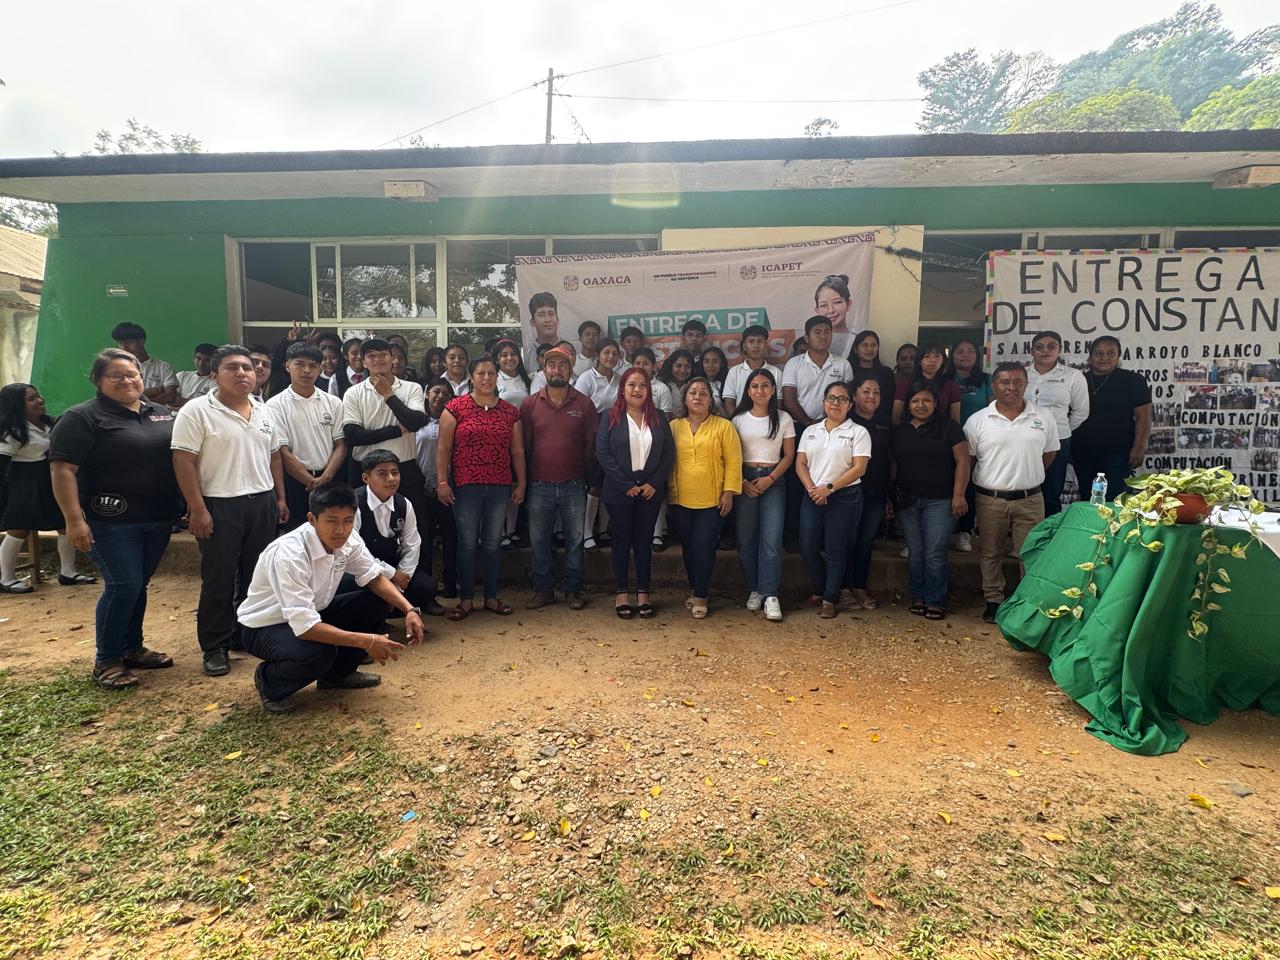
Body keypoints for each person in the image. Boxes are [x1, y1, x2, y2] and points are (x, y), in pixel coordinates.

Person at [49, 348, 179, 688]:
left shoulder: (161, 413)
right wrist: (74, 520)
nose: (127, 380)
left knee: (138, 584)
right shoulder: (82, 417)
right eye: (116, 376)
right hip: (109, 521)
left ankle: (131, 648)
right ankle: (106, 660)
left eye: (132, 374)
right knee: (123, 585)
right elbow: (62, 470)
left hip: (158, 516)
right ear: (98, 380)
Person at [237, 482, 425, 714]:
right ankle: (269, 682)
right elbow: (306, 628)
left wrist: (409, 610)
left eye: (348, 521)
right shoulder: (290, 554)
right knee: (319, 653)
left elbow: (374, 577)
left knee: (376, 601)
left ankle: (338, 676)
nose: (340, 530)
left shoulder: (349, 540)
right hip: (265, 627)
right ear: (312, 519)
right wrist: (368, 641)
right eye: (331, 521)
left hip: (313, 612)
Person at [171, 345, 288, 676]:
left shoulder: (264, 411)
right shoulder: (196, 411)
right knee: (219, 578)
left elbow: (275, 456)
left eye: (248, 368)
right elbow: (183, 461)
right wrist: (197, 508)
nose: (242, 374)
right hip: (219, 504)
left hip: (261, 501)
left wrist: (280, 498)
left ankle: (245, 634)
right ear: (213, 375)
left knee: (257, 576)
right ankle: (215, 646)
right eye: (232, 368)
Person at [965, 362, 1060, 623]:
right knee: (990, 552)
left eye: (1017, 382)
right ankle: (994, 600)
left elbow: (1050, 454)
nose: (1011, 387)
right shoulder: (978, 420)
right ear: (994, 386)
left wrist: (1026, 475)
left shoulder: (1043, 417)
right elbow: (970, 460)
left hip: (1030, 499)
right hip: (990, 499)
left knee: (1030, 553)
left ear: (1026, 385)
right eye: (1005, 382)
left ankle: (1027, 602)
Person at [436, 356, 525, 620]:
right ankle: (465, 600)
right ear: (472, 377)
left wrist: (521, 482)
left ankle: (491, 597)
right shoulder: (455, 407)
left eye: (491, 373)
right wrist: (442, 482)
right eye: (480, 373)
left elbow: (518, 450)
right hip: (466, 486)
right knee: (466, 544)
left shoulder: (510, 412)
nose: (486, 378)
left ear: (497, 377)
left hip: (499, 486)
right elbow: (443, 447)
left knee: (492, 544)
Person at [520, 345, 598, 610]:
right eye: (552, 365)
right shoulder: (530, 404)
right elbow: (526, 445)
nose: (557, 370)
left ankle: (573, 590)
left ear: (570, 369)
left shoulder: (584, 404)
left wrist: (580, 472)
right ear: (544, 369)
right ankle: (543, 590)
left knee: (575, 541)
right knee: (540, 541)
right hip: (539, 484)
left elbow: (590, 444)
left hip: (573, 484)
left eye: (562, 365)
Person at [0, 383, 94, 593]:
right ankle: (6, 578)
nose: (39, 401)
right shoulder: (12, 432)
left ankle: (68, 572)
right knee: (19, 528)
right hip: (25, 484)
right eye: (31, 399)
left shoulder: (49, 424)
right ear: (16, 405)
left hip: (51, 479)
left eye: (38, 396)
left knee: (63, 523)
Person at [597, 367, 673, 619]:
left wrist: (654, 481)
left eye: (642, 385)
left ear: (649, 390)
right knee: (621, 542)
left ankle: (643, 593)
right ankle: (621, 593)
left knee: (643, 543)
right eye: (631, 385)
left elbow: (668, 454)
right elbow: (603, 453)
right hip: (620, 491)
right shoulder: (610, 417)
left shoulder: (660, 417)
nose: (637, 390)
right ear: (623, 389)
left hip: (650, 491)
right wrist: (625, 483)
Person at [893, 382, 970, 620]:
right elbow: (894, 465)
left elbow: (964, 462)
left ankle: (935, 600)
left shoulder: (950, 428)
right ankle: (918, 596)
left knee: (934, 552)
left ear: (936, 404)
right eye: (915, 401)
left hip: (941, 501)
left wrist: (959, 494)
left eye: (926, 400)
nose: (920, 405)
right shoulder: (900, 431)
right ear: (908, 405)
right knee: (916, 551)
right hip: (908, 500)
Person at [668, 377, 742, 620]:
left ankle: (701, 595)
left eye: (703, 393)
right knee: (688, 548)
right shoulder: (674, 427)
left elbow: (733, 462)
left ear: (711, 400)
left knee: (702, 545)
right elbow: (666, 461)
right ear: (685, 399)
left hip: (713, 500)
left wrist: (729, 492)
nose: (697, 397)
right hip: (680, 499)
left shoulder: (724, 426)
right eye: (692, 393)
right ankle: (695, 587)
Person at [795, 382, 870, 618]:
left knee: (836, 549)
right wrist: (812, 490)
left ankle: (829, 598)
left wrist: (829, 488)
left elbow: (859, 468)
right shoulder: (811, 431)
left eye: (842, 399)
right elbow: (800, 464)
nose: (835, 403)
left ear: (850, 404)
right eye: (831, 398)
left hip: (844, 497)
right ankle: (819, 588)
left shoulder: (858, 432)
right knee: (807, 547)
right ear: (824, 402)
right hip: (812, 496)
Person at [782, 315, 853, 548]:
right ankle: (795, 536)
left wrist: (829, 422)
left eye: (827, 331)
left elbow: (847, 398)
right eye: (817, 332)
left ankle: (824, 538)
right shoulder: (794, 364)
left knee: (828, 479)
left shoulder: (842, 364)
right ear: (807, 337)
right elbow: (790, 400)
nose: (823, 336)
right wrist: (812, 423)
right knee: (798, 483)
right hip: (801, 428)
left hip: (835, 429)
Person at [730, 368, 795, 623]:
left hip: (773, 480)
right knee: (746, 539)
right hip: (744, 479)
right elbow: (731, 456)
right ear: (748, 391)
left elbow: (789, 455)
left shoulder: (784, 418)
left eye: (765, 385)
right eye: (755, 386)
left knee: (771, 539)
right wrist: (743, 482)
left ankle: (770, 594)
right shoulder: (738, 419)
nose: (760, 390)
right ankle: (754, 589)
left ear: (773, 389)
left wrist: (769, 479)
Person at [341, 338, 429, 520]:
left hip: (404, 469)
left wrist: (388, 394)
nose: (378, 360)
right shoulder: (353, 393)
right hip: (366, 470)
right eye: (371, 356)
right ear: (364, 362)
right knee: (364, 525)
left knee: (414, 524)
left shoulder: (412, 388)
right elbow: (353, 436)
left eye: (383, 355)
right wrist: (397, 430)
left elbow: (414, 422)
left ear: (392, 359)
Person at [351, 450, 444, 617]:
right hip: (359, 568)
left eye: (395, 472)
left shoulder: (404, 504)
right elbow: (355, 552)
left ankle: (388, 612)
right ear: (366, 478)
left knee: (426, 587)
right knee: (359, 589)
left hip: (391, 565)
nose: (391, 479)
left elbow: (412, 544)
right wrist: (391, 574)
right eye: (382, 474)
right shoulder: (354, 504)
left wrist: (401, 579)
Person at [267, 343, 348, 532]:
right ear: (287, 366)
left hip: (330, 479)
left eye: (312, 366)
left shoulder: (333, 402)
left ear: (320, 369)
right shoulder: (275, 405)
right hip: (295, 483)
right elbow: (282, 451)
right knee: (298, 536)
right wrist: (309, 482)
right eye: (300, 364)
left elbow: (341, 445)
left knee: (331, 534)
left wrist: (326, 476)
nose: (306, 370)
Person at [1071, 335, 1153, 502]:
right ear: (1090, 357)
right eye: (1099, 353)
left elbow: (1143, 416)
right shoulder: (1079, 380)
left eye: (1111, 353)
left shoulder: (1132, 380)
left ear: (1118, 356)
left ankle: (1111, 529)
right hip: (1082, 452)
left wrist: (1139, 448)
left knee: (1113, 499)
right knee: (1088, 499)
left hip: (1118, 453)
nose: (1104, 357)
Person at [1026, 331, 1090, 515]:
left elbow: (1081, 411)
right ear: (1032, 351)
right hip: (1023, 440)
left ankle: (1048, 539)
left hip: (1057, 443)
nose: (1045, 350)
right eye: (1039, 347)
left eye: (1051, 346)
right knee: (1022, 490)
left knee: (1050, 493)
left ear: (1060, 349)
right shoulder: (1022, 374)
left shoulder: (1073, 376)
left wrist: (1059, 431)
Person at [844, 373, 891, 610]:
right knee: (844, 540)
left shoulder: (885, 423)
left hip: (875, 493)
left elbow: (890, 460)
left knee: (864, 542)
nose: (871, 396)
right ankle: (842, 589)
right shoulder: (844, 421)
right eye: (866, 391)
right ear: (854, 396)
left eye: (876, 392)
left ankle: (860, 587)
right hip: (847, 493)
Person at [577, 339, 624, 552]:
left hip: (617, 435)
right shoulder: (587, 378)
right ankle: (587, 533)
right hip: (594, 435)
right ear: (598, 354)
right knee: (594, 485)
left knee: (610, 484)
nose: (611, 357)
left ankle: (604, 530)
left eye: (615, 353)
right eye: (607, 352)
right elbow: (578, 409)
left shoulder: (622, 380)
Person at [415, 378, 458, 598]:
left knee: (452, 539)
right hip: (421, 490)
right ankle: (427, 591)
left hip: (448, 490)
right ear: (426, 393)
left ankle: (451, 584)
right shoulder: (416, 421)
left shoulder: (454, 421)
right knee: (424, 541)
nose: (440, 396)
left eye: (446, 394)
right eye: (436, 391)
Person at [948, 337, 991, 552]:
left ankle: (965, 532)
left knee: (970, 486)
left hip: (977, 442)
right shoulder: (945, 379)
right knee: (947, 484)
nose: (965, 355)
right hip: (947, 441)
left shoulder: (987, 380)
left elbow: (993, 410)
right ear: (952, 355)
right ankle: (945, 530)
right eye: (960, 351)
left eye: (970, 351)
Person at [892, 343, 961, 425]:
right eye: (927, 356)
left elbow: (955, 420)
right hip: (911, 431)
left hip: (942, 433)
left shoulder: (951, 386)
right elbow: (895, 418)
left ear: (943, 361)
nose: (932, 360)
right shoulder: (905, 385)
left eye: (936, 356)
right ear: (919, 361)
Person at [722, 324, 782, 418]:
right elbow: (729, 403)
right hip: (739, 426)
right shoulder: (734, 372)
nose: (755, 346)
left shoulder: (776, 372)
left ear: (766, 345)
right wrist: (737, 424)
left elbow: (778, 404)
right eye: (751, 341)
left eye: (760, 341)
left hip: (769, 423)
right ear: (745, 346)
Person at [110, 323, 178, 406]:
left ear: (142, 342)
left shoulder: (163, 367)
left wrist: (136, 400)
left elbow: (170, 397)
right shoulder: (117, 369)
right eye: (120, 343)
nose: (124, 348)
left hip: (157, 416)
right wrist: (156, 390)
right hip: (126, 417)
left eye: (128, 343)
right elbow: (119, 397)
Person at [848, 331, 896, 426]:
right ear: (855, 349)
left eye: (873, 345)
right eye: (865, 345)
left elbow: (889, 402)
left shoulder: (886, 373)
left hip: (880, 423)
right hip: (852, 421)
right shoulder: (848, 370)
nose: (869, 349)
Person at [813, 273, 861, 362]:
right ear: (817, 310)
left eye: (837, 302)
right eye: (823, 305)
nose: (831, 310)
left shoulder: (859, 340)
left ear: (848, 304)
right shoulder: (812, 341)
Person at [524, 292, 562, 370]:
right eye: (541, 315)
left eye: (551, 314)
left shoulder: (568, 350)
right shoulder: (527, 358)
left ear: (557, 319)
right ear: (532, 322)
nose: (548, 320)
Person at [175, 342, 217, 407]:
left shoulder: (216, 382)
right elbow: (171, 399)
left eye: (207, 360)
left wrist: (184, 402)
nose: (201, 364)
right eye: (198, 358)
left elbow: (211, 406)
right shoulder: (182, 375)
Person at [659, 348, 696, 416]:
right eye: (678, 366)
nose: (682, 370)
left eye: (687, 366)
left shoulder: (695, 386)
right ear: (671, 366)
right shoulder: (662, 385)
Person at [697, 345, 729, 411]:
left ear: (722, 364)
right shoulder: (696, 384)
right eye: (706, 361)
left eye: (715, 362)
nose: (710, 365)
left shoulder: (728, 384)